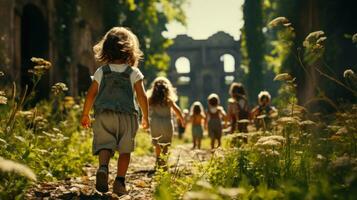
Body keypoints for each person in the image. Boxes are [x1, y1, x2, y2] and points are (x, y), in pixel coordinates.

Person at [80, 27, 149, 196]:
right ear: (131, 50)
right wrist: (146, 116)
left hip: (104, 115)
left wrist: (85, 113)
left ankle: (103, 168)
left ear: (106, 49)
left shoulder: (101, 71)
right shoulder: (133, 72)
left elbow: (91, 94)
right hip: (127, 117)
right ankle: (120, 181)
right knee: (125, 150)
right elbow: (142, 96)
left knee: (105, 145)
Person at [147, 77, 184, 168]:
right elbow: (177, 111)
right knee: (166, 144)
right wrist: (182, 120)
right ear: (167, 89)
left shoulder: (151, 100)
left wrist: (145, 120)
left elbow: (146, 110)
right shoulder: (168, 100)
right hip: (167, 123)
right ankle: (164, 162)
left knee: (157, 144)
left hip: (155, 123)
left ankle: (158, 159)